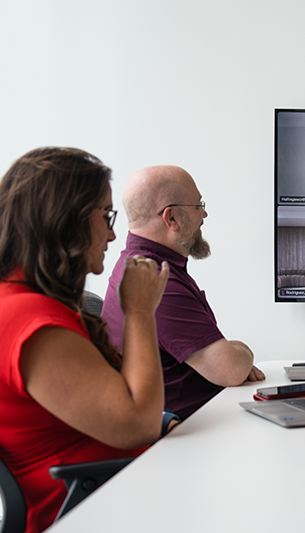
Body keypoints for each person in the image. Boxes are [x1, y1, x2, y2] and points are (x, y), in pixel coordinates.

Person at [0, 147, 172, 533]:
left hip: (117, 505)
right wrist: (139, 311)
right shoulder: (26, 320)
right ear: (64, 220)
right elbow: (136, 422)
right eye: (104, 216)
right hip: (87, 529)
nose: (112, 233)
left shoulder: (22, 304)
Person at [102, 165, 264, 421]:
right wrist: (241, 351)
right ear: (172, 218)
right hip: (184, 435)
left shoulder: (141, 266)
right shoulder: (156, 279)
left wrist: (228, 357)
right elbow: (229, 370)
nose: (205, 214)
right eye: (199, 206)